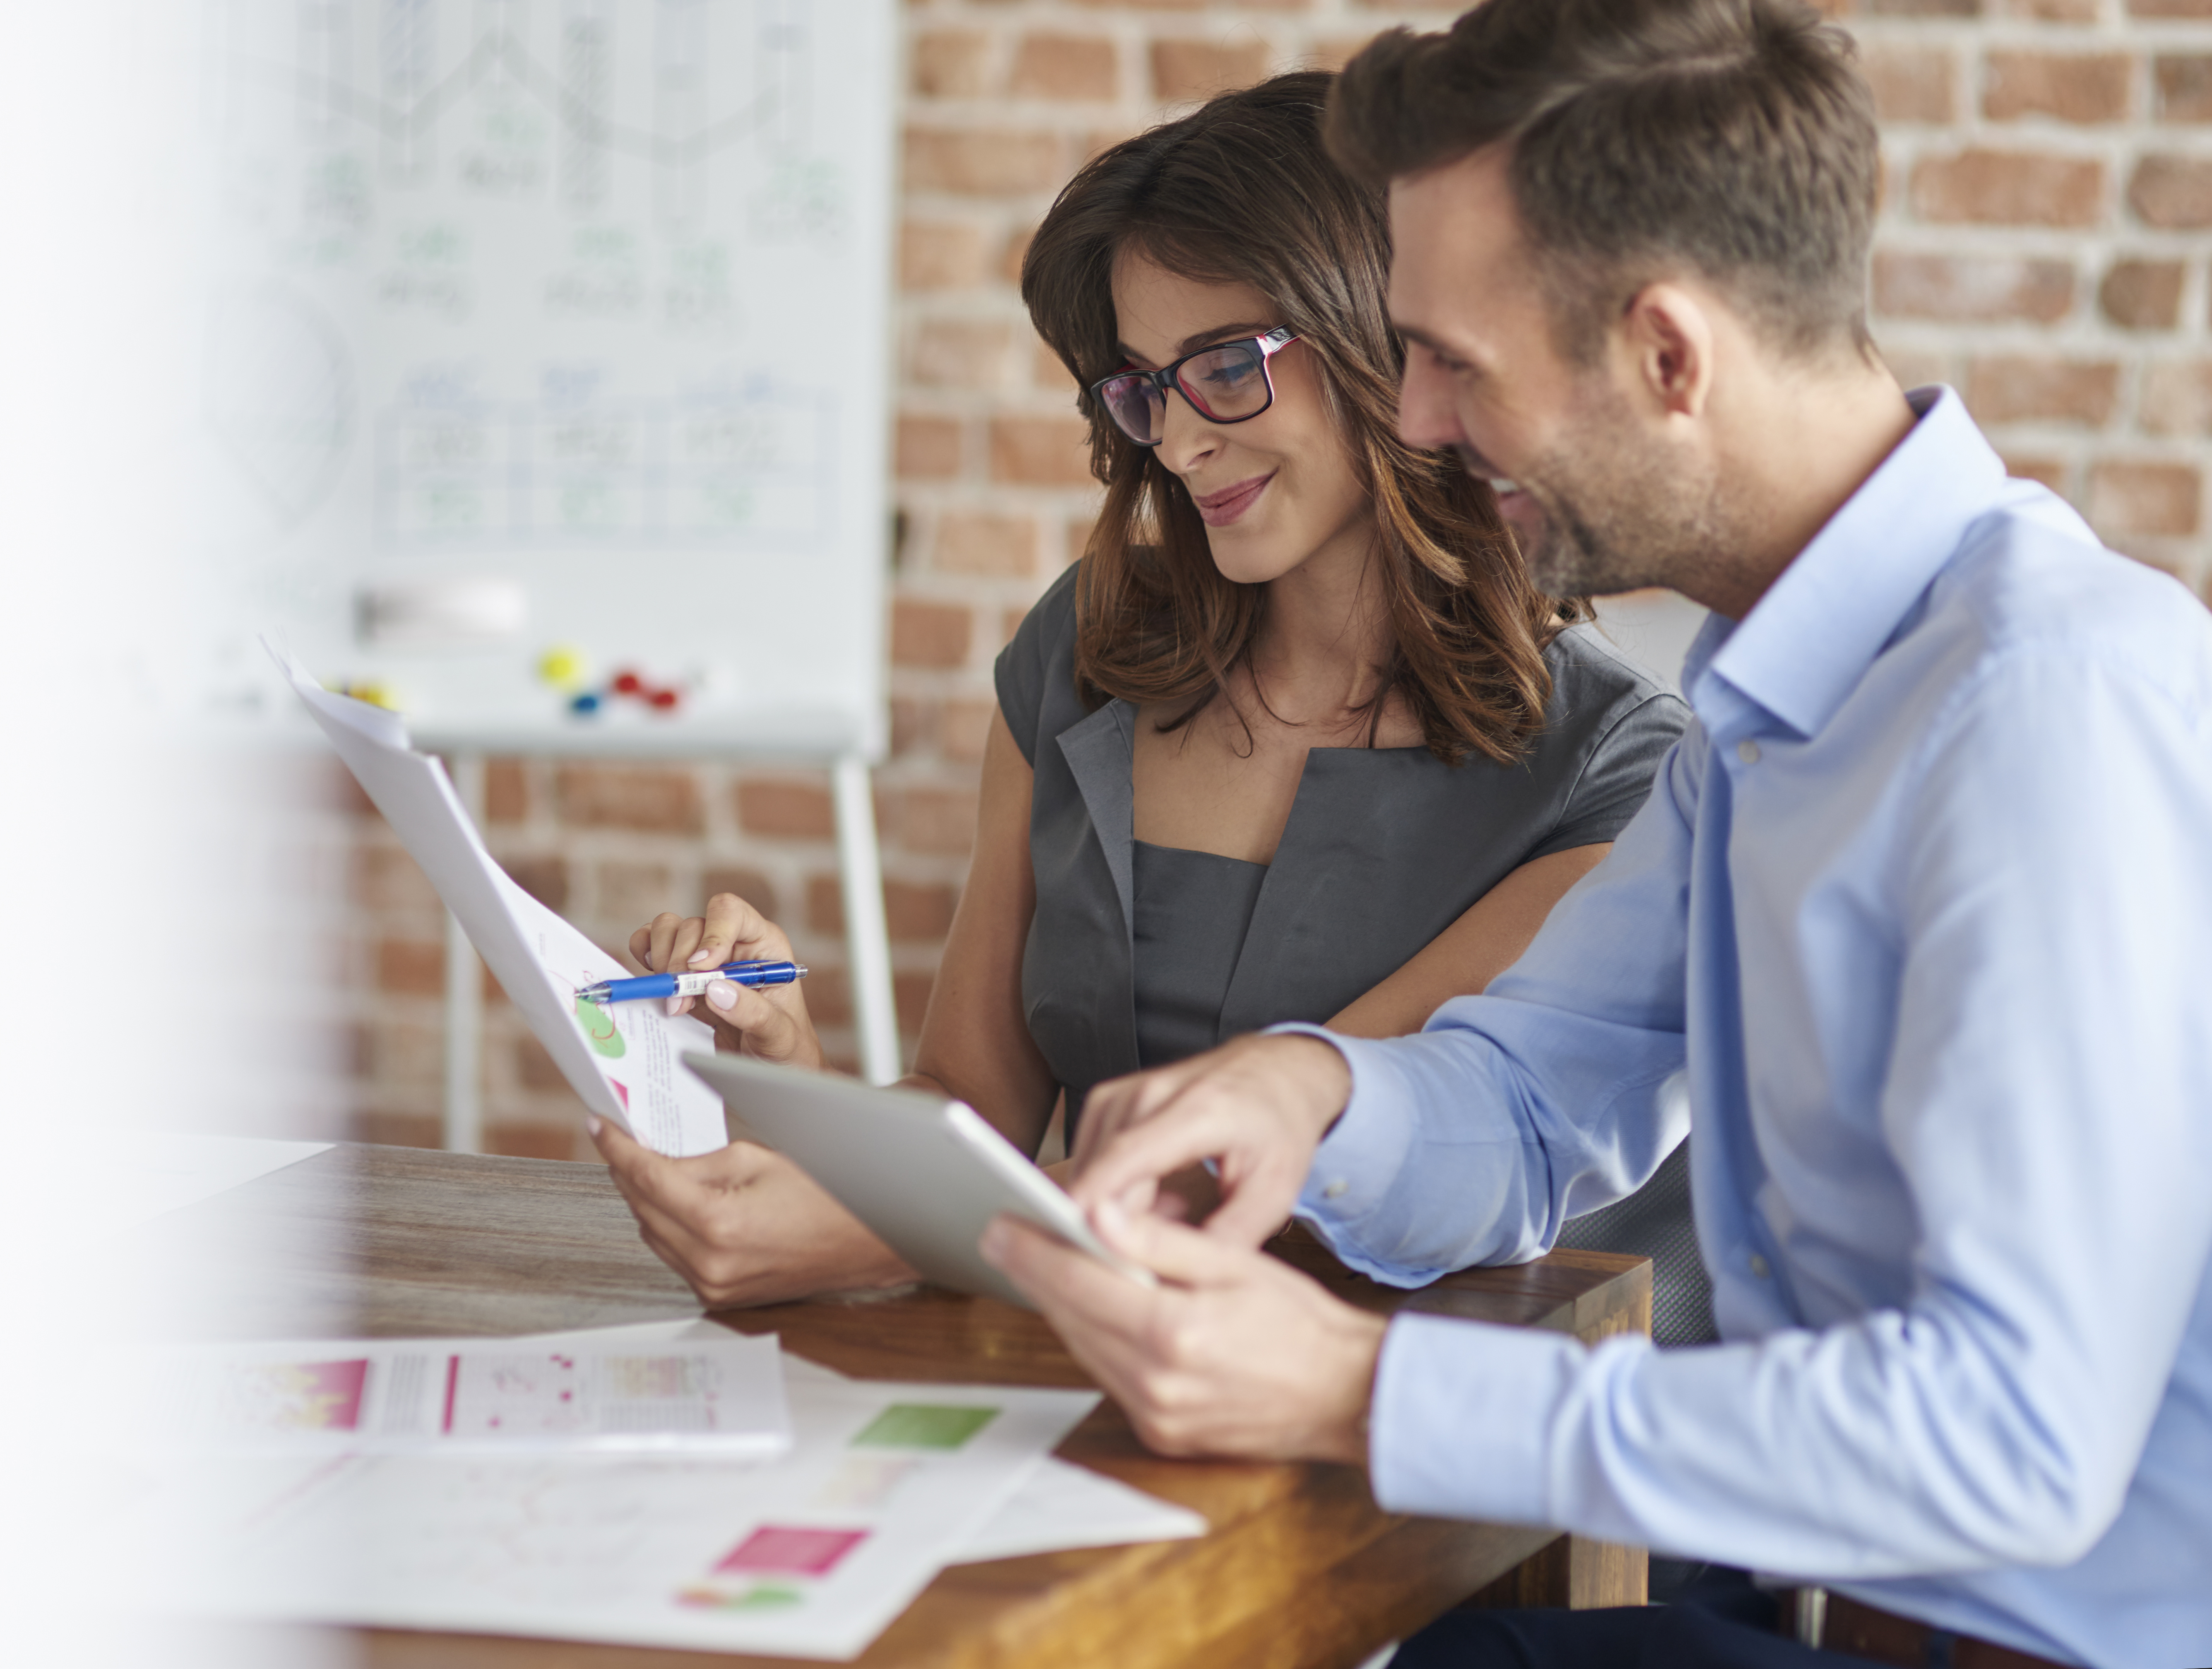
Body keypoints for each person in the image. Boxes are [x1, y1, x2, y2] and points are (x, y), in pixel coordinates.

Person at [982, 2, 2212, 1666]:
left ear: (1667, 357)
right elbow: (1538, 1085)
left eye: (1453, 360)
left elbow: (2012, 1441)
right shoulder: (1774, 709)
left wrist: (1363, 1387)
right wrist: (1302, 1090)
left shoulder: (2042, 707)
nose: (1412, 419)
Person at [588, 73, 1687, 1312]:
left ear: (1387, 340)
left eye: (1225, 366)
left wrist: (877, 1236)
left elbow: (1293, 1160)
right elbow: (970, 1107)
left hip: (1368, 1409)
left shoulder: (1615, 774)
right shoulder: (1087, 646)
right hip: (1054, 1372)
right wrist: (785, 1077)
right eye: (1143, 384)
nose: (1174, 438)